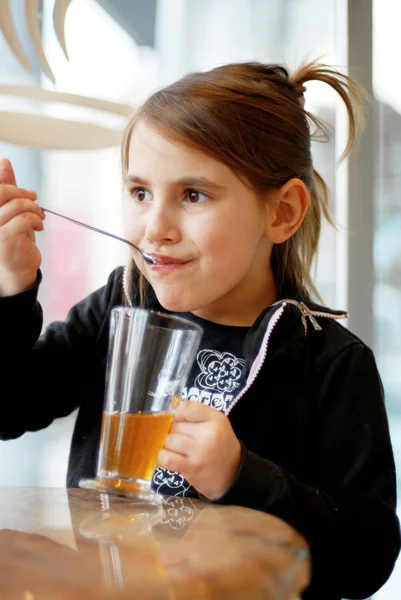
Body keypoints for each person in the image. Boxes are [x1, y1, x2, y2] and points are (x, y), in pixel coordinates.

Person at [0, 60, 399, 599]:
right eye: (140, 193)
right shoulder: (121, 307)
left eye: (193, 195)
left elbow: (365, 559)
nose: (156, 228)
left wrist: (241, 475)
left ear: (282, 213)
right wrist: (11, 290)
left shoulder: (328, 362)